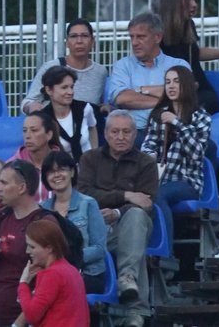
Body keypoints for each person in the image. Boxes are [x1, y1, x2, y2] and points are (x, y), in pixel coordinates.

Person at [77, 112, 158, 327]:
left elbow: (147, 202)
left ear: (135, 134)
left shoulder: (146, 163)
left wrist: (118, 212)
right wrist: (125, 195)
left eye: (126, 131)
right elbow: (83, 193)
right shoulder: (89, 159)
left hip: (131, 224)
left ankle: (127, 278)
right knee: (133, 246)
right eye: (115, 131)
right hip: (95, 228)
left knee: (136, 218)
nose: (121, 136)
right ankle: (136, 311)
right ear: (105, 134)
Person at [140, 68, 211, 242]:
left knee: (158, 196)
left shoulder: (201, 118)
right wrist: (149, 154)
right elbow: (148, 144)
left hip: (187, 182)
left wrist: (176, 122)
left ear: (186, 85)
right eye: (168, 81)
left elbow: (196, 154)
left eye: (177, 81)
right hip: (160, 178)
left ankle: (165, 252)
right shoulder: (159, 115)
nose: (171, 86)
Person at [0, 160, 42, 327]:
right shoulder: (1, 217)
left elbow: (46, 283)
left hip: (24, 320)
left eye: (3, 182)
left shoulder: (42, 222)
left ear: (21, 188)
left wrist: (19, 323)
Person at [105, 11, 191, 136]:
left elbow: (185, 95)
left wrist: (141, 90)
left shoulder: (178, 65)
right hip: (134, 132)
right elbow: (122, 99)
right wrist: (167, 101)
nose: (134, 43)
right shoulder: (122, 65)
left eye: (140, 37)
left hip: (171, 130)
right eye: (132, 37)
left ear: (157, 37)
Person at [39, 151, 107, 292]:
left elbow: (99, 249)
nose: (57, 175)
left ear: (72, 172)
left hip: (88, 273)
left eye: (62, 169)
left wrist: (68, 259)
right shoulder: (43, 209)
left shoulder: (88, 204)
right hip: (53, 274)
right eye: (51, 172)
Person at [158, 0, 219, 114]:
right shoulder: (158, 30)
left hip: (199, 90)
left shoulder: (189, 25)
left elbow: (196, 52)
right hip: (173, 89)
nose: (194, 5)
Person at [23, 21, 107, 115]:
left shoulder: (101, 72)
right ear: (67, 43)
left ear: (92, 41)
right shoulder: (51, 67)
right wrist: (32, 107)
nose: (79, 41)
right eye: (73, 36)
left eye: (84, 35)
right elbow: (28, 101)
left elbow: (98, 104)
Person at [16, 217, 87, 327]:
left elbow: (31, 316)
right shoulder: (71, 269)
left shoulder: (52, 274)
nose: (27, 251)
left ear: (49, 248)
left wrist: (23, 283)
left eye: (32, 247)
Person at [34, 69, 96, 164]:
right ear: (49, 90)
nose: (70, 92)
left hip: (89, 167)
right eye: (64, 87)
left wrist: (94, 154)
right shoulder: (43, 118)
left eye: (72, 87)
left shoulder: (84, 108)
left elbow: (92, 127)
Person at [13, 114, 59, 196]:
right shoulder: (12, 166)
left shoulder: (65, 164)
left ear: (49, 135)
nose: (27, 136)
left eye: (34, 130)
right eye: (24, 131)